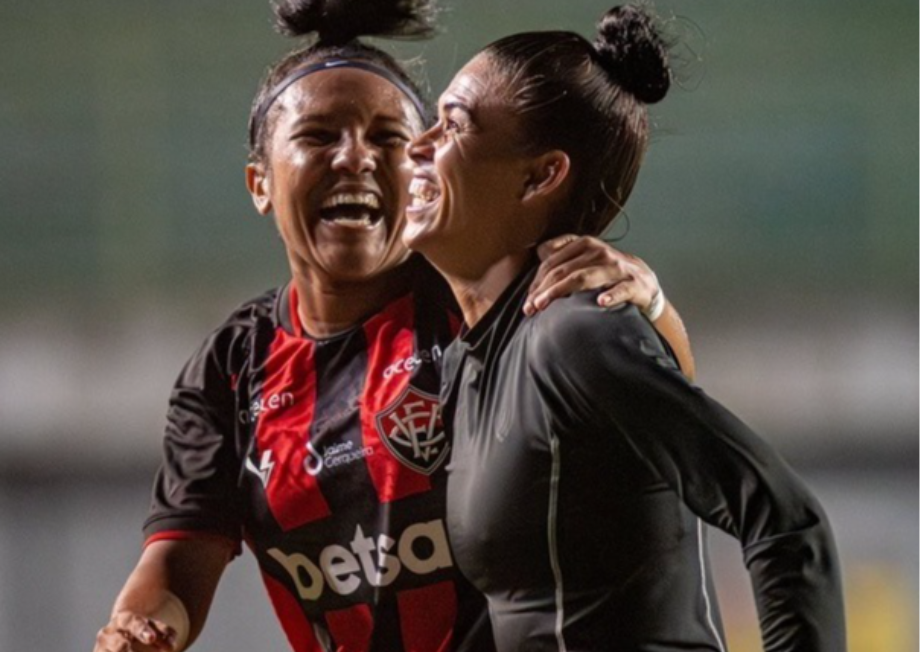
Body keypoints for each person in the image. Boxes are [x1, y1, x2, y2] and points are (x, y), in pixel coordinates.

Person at [92, 1, 696, 651]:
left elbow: (657, 404)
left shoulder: (490, 296)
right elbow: (180, 563)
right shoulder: (230, 369)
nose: (354, 159)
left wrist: (651, 303)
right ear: (259, 182)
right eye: (318, 136)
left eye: (388, 139)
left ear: (427, 171)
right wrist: (140, 627)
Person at [404, 5, 847, 652]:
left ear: (540, 176)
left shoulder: (572, 337)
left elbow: (785, 521)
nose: (418, 145)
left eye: (453, 125)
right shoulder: (469, 361)